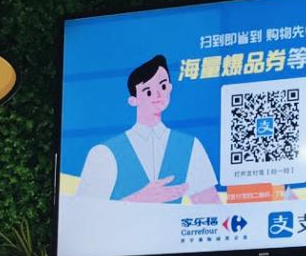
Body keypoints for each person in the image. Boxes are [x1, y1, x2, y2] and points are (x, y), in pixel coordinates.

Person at [77, 55, 220, 203]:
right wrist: (138, 199)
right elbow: (84, 211)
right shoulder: (104, 153)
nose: (158, 95)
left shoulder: (189, 146)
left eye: (163, 87)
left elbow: (211, 206)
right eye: (148, 92)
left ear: (170, 88)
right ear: (133, 100)